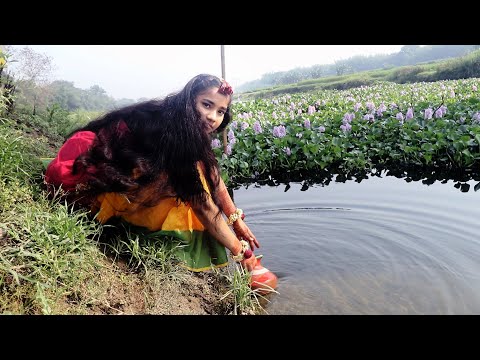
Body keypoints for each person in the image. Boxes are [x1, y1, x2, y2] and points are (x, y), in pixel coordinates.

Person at [44, 74, 260, 273]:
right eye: (206, 105)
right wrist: (242, 253)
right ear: (189, 100)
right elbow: (202, 204)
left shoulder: (190, 126)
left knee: (194, 175)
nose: (213, 117)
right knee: (181, 186)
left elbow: (210, 169)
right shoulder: (173, 130)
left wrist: (235, 219)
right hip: (91, 168)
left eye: (220, 111)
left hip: (124, 163)